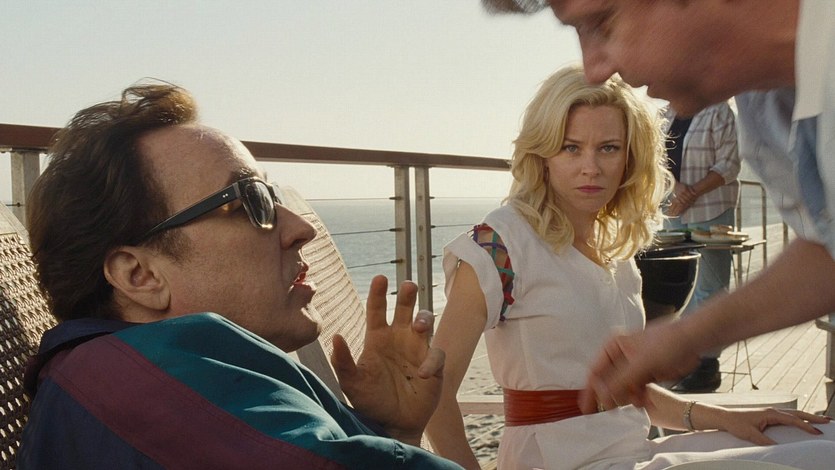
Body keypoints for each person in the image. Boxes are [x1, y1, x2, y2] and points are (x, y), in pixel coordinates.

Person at [18, 83, 460, 469]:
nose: (301, 228)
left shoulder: (142, 382)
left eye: (272, 195)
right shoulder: (145, 394)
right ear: (140, 275)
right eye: (250, 201)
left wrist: (392, 433)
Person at [425, 65, 835, 470]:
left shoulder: (613, 250)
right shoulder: (499, 246)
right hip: (560, 461)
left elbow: (629, 394)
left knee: (819, 441)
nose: (591, 167)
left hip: (634, 452)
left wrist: (728, 419)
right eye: (570, 147)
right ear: (543, 154)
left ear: (629, 158)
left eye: (608, 148)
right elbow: (432, 392)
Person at [480, 0, 835, 415]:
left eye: (602, 23)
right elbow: (826, 249)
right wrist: (686, 337)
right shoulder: (764, 113)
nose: (594, 69)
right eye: (570, 148)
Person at [662, 100, 741, 393]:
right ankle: (684, 358)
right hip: (674, 211)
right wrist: (677, 189)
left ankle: (707, 366)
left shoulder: (719, 111)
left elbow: (729, 165)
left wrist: (692, 192)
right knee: (680, 288)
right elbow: (655, 160)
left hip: (712, 210)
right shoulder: (665, 114)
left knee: (710, 288)